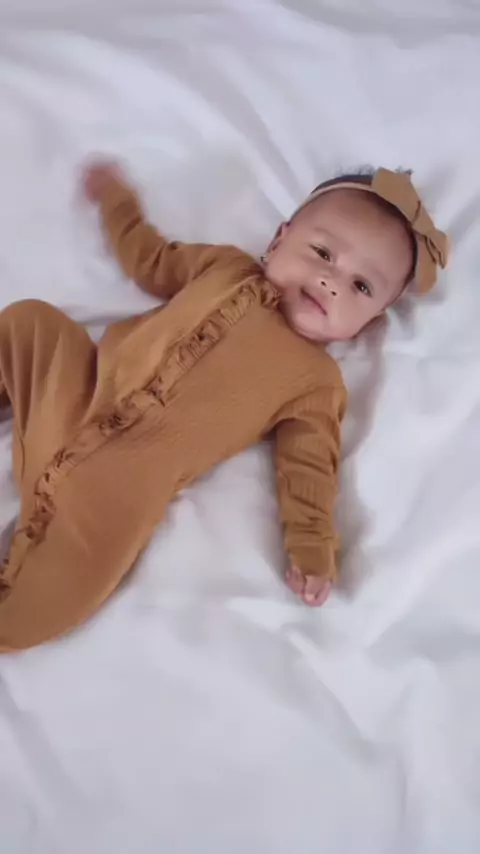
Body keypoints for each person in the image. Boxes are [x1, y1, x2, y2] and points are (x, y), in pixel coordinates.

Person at [0, 163, 448, 651]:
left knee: (51, 599)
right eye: (323, 253)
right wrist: (116, 202)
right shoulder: (223, 267)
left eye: (361, 287)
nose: (331, 282)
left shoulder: (317, 382)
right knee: (30, 323)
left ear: (369, 322)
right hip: (76, 390)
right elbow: (150, 258)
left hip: (120, 489)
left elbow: (310, 471)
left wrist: (313, 551)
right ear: (279, 239)